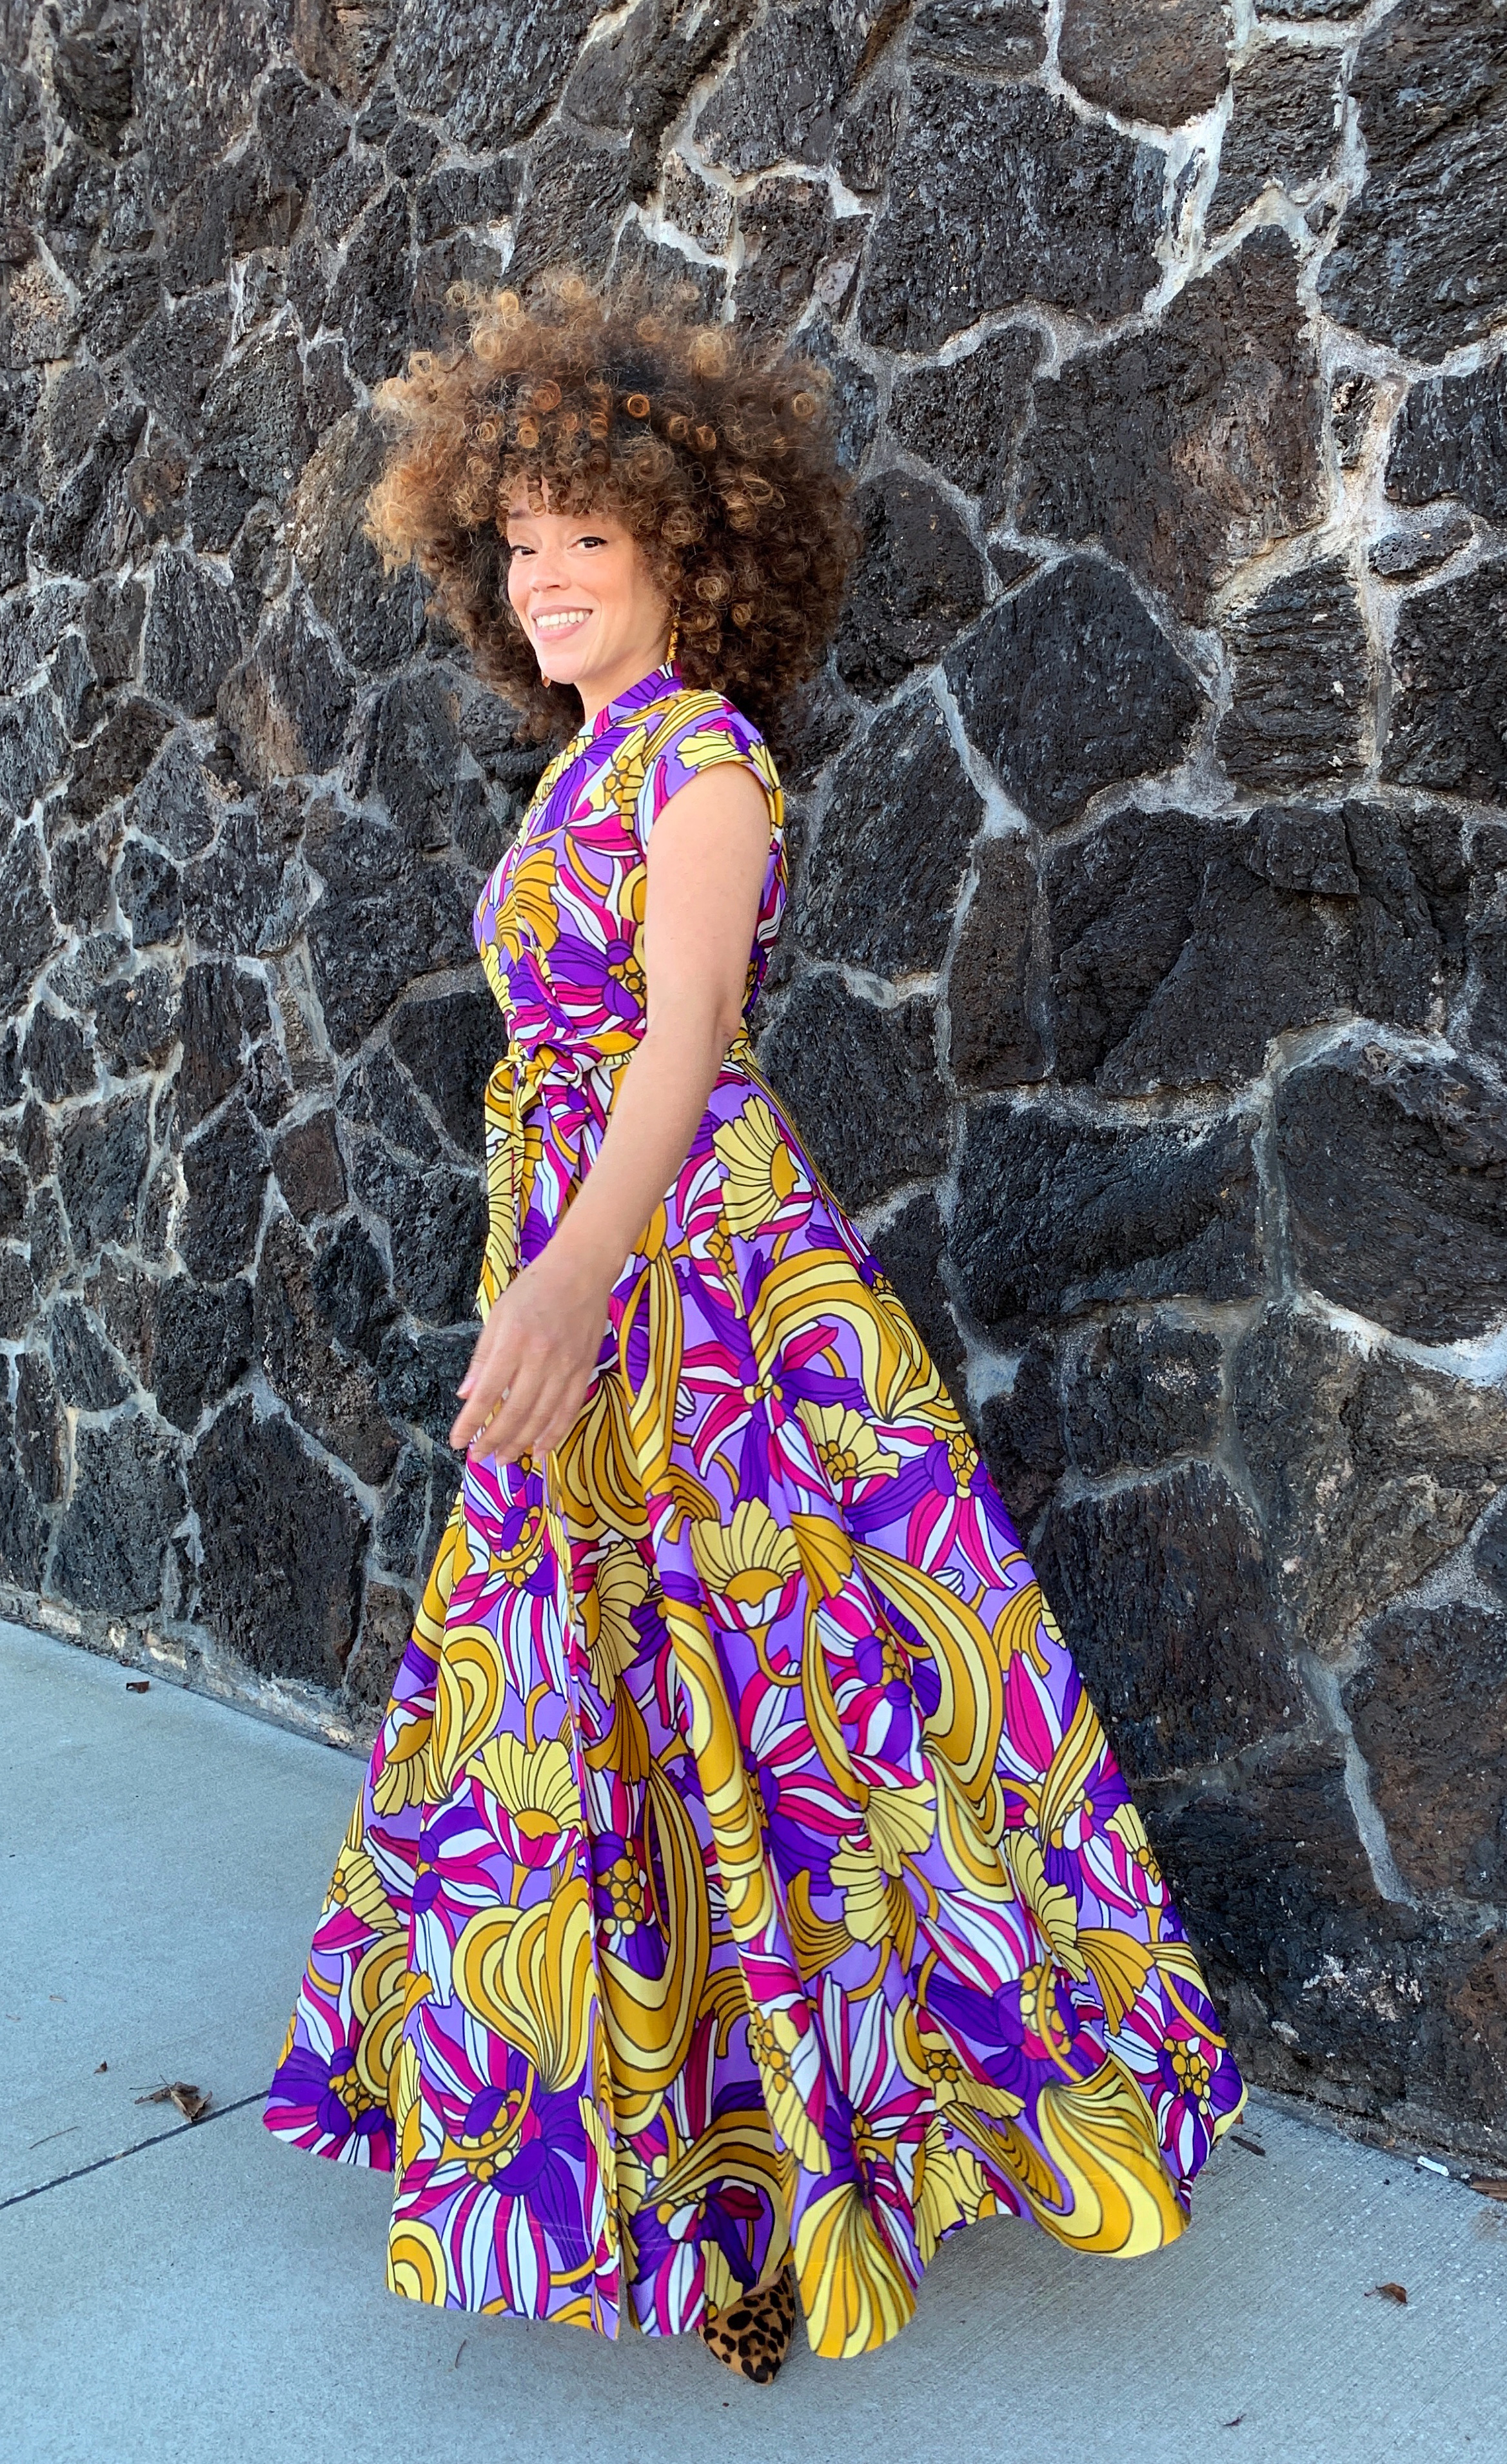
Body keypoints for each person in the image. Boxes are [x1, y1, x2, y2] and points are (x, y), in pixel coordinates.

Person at [264, 280, 1245, 2381]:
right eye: (515, 547)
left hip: (690, 1280)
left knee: (778, 1676)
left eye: (582, 545)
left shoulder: (696, 762)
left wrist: (554, 1282)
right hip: (602, 1258)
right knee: (626, 1689)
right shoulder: (592, 757)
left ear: (683, 559)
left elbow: (681, 1056)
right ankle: (707, 2151)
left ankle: (826, 2154)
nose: (541, 580)